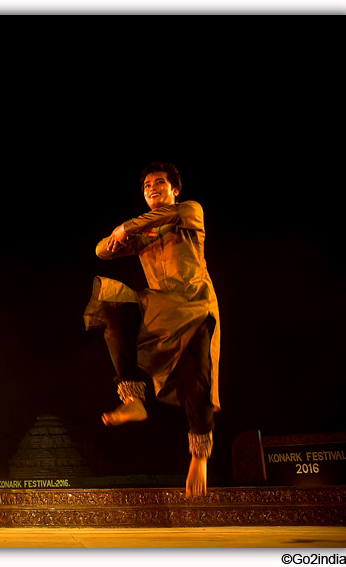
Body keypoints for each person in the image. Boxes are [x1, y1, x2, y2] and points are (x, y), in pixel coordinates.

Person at [84, 162, 221, 498]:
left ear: (175, 188)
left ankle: (199, 456)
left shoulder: (190, 212)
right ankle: (132, 398)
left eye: (159, 183)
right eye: (146, 186)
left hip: (193, 305)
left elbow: (160, 219)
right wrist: (120, 236)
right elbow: (102, 250)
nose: (152, 188)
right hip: (159, 306)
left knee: (196, 379)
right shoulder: (144, 232)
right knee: (113, 312)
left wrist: (127, 227)